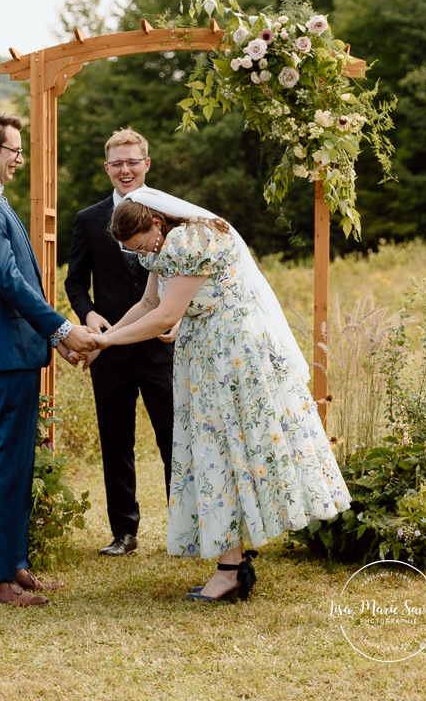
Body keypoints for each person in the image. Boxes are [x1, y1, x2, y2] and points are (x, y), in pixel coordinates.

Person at [82, 187, 351, 602]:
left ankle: (230, 570)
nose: (140, 256)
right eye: (132, 252)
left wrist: (109, 345)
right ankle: (233, 564)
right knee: (216, 453)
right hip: (209, 355)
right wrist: (106, 337)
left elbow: (166, 317)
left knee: (222, 452)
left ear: (156, 222)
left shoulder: (192, 241)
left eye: (140, 247)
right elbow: (147, 302)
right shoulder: (162, 245)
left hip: (233, 357)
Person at [0, 109, 96, 607]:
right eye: (15, 150)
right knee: (6, 462)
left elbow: (18, 281)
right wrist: (62, 328)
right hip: (4, 351)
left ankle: (13, 563)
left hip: (19, 348)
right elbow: (7, 280)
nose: (20, 159)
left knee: (19, 460)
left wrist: (54, 339)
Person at [65, 129, 174, 556]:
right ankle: (124, 532)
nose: (125, 169)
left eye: (133, 161)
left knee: (174, 440)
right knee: (116, 442)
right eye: (117, 163)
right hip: (108, 346)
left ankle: (181, 527)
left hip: (161, 347)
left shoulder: (169, 211)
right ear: (107, 168)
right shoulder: (88, 220)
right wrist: (88, 315)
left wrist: (178, 318)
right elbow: (75, 282)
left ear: (147, 163)